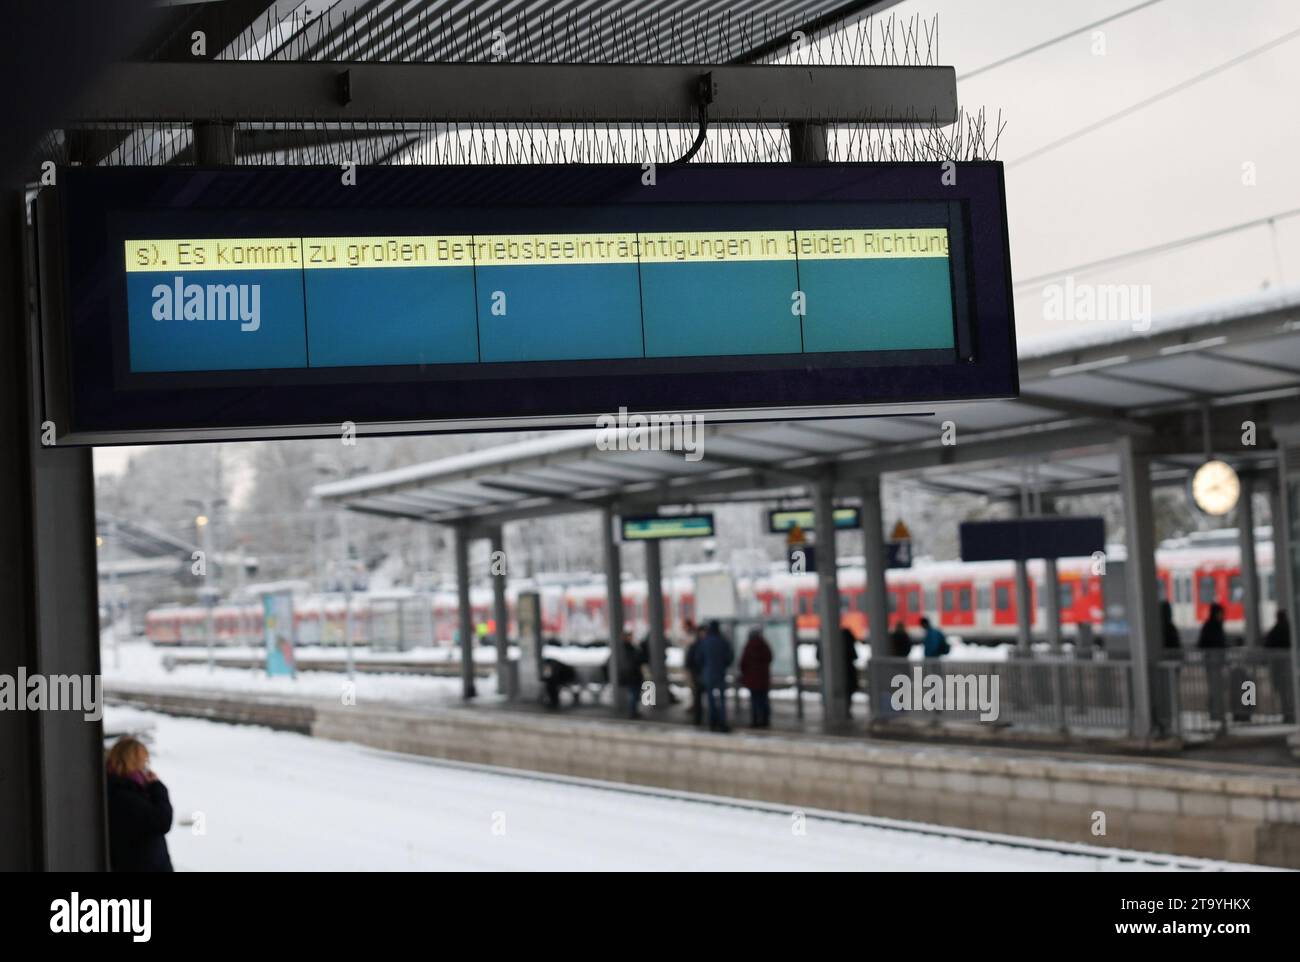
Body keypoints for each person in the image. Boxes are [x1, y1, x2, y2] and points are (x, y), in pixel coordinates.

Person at [105, 736, 173, 872]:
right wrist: (158, 787)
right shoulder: (125, 794)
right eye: (144, 761)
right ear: (133, 762)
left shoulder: (116, 788)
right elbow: (162, 821)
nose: (145, 767)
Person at [696, 620, 734, 732]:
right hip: (720, 673)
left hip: (708, 674)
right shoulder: (723, 641)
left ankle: (712, 723)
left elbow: (698, 658)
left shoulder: (705, 642)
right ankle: (722, 723)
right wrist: (723, 665)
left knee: (711, 699)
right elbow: (729, 657)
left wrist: (704, 668)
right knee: (722, 700)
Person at [1198, 603, 1228, 725]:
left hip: (1214, 663)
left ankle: (1216, 712)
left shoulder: (1212, 626)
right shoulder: (1213, 627)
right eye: (1221, 613)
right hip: (1213, 663)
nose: (1223, 616)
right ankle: (1215, 713)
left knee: (1216, 689)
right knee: (1215, 689)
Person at [739, 628, 773, 728]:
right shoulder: (764, 645)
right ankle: (765, 720)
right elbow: (770, 657)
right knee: (764, 700)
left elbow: (742, 663)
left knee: (754, 701)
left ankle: (755, 721)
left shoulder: (748, 647)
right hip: (763, 679)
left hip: (753, 680)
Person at [684, 621, 707, 726]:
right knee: (697, 695)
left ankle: (698, 719)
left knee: (697, 695)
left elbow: (689, 659)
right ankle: (698, 718)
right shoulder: (700, 643)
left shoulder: (697, 643)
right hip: (699, 673)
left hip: (697, 674)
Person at [617, 631, 645, 719]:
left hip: (632, 675)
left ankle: (633, 711)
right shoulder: (627, 649)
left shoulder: (626, 648)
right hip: (632, 675)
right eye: (629, 636)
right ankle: (633, 712)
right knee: (634, 694)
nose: (631, 638)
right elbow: (635, 660)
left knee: (634, 694)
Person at [841, 627, 860, 719]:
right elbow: (855, 656)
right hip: (849, 672)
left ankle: (842, 709)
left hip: (843, 673)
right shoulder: (850, 643)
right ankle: (846, 709)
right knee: (848, 692)